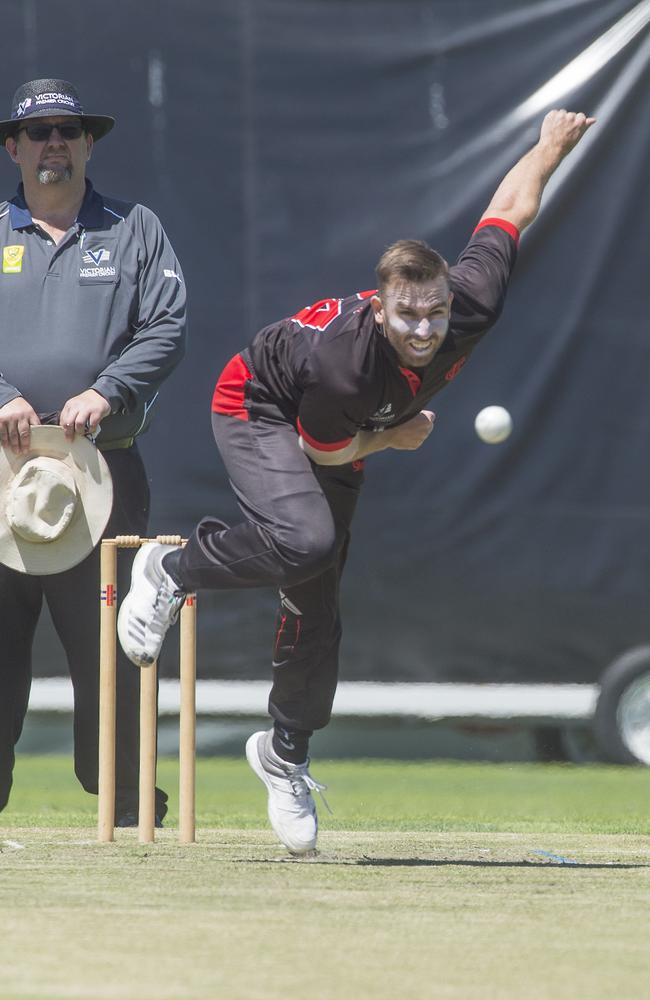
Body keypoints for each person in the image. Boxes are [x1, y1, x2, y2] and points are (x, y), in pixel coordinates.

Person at [118, 109, 593, 853]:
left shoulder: (470, 302)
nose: (427, 330)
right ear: (379, 307)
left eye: (435, 313)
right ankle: (173, 567)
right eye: (409, 316)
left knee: (318, 611)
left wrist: (547, 147)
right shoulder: (347, 361)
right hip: (260, 407)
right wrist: (396, 438)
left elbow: (509, 210)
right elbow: (328, 451)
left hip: (347, 430)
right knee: (304, 539)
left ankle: (284, 753)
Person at [0, 79, 187, 824]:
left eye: (67, 131)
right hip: (2, 475)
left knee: (112, 652)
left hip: (100, 473)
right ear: (12, 147)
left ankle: (129, 804)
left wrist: (107, 390)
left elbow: (166, 326)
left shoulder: (134, 228)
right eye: (38, 132)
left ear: (87, 143)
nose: (54, 143)